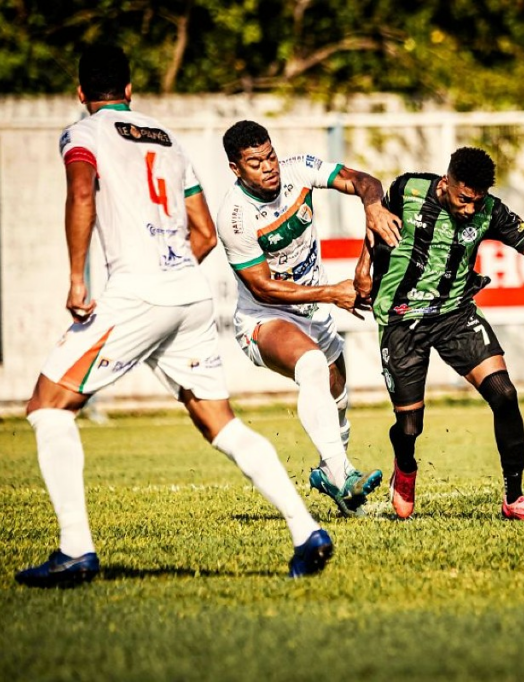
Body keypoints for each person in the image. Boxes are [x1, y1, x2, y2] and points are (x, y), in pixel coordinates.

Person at [17, 46, 333, 588]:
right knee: (219, 422)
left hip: (139, 293)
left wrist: (77, 278)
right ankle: (307, 532)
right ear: (131, 90)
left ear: (80, 94)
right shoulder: (165, 138)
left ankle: (75, 550)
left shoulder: (82, 134)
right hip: (189, 290)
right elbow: (205, 234)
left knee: (48, 405)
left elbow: (80, 192)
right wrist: (173, 274)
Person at [356, 147, 524, 520]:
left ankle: (514, 499)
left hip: (456, 315)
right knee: (410, 426)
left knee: (504, 394)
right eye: (464, 199)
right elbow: (375, 225)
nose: (470, 209)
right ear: (446, 184)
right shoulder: (408, 190)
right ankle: (406, 467)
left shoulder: (491, 210)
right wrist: (364, 268)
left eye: (477, 201)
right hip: (401, 319)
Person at [216, 121, 401, 517]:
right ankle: (341, 471)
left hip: (314, 313)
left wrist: (372, 206)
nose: (269, 167)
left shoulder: (298, 171)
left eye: (270, 156)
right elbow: (264, 288)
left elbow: (364, 180)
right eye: (255, 163)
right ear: (236, 169)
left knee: (338, 398)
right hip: (264, 319)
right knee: (312, 364)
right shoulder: (234, 217)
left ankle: (332, 478)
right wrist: (333, 292)